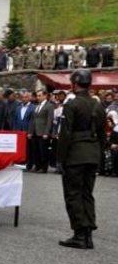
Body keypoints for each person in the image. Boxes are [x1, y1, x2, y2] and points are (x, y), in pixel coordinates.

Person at [57, 70, 106, 249]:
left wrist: (60, 159)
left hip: (75, 155)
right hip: (92, 154)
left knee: (73, 194)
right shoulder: (98, 105)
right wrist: (99, 155)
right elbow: (102, 135)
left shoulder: (72, 105)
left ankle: (79, 234)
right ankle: (88, 235)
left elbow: (66, 134)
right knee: (87, 194)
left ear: (74, 83)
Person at [28, 90, 55, 173]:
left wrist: (46, 132)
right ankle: (37, 166)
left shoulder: (49, 106)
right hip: (35, 131)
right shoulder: (36, 106)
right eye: (37, 96)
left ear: (45, 96)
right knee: (35, 150)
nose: (38, 97)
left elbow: (49, 120)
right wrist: (30, 132)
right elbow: (33, 120)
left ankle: (44, 167)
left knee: (43, 151)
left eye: (40, 96)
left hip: (43, 132)